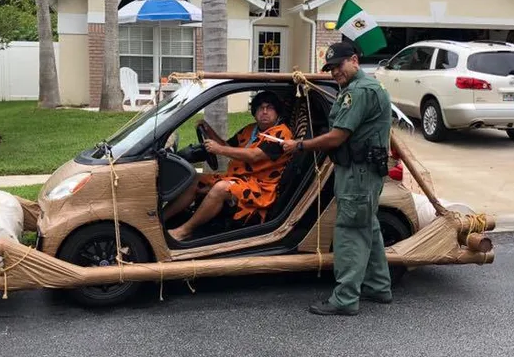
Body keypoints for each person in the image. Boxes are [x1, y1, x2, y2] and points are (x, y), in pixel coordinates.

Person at [282, 41, 394, 316]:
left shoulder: (357, 92)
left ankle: (345, 299)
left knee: (350, 231)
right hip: (364, 170)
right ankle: (378, 286)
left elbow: (337, 136)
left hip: (358, 172)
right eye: (330, 68)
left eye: (338, 66)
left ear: (354, 60)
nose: (334, 72)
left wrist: (300, 146)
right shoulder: (369, 87)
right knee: (368, 225)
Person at [165, 90, 294, 241]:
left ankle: (185, 230)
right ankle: (159, 221)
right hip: (239, 178)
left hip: (260, 187)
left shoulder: (281, 134)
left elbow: (254, 156)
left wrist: (219, 149)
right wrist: (208, 130)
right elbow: (227, 145)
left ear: (277, 111)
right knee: (194, 179)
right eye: (260, 108)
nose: (264, 112)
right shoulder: (251, 129)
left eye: (270, 107)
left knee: (222, 188)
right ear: (254, 111)